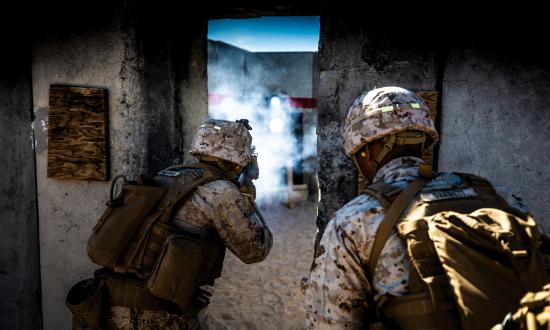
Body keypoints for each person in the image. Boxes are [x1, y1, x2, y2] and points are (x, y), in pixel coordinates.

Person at [303, 86, 547, 329]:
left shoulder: (353, 220)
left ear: (364, 150)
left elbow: (329, 323)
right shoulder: (495, 193)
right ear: (424, 140)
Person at [102, 119, 272, 329]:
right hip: (159, 313)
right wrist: (246, 194)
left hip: (112, 302)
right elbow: (255, 250)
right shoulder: (221, 191)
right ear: (238, 161)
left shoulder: (170, 174)